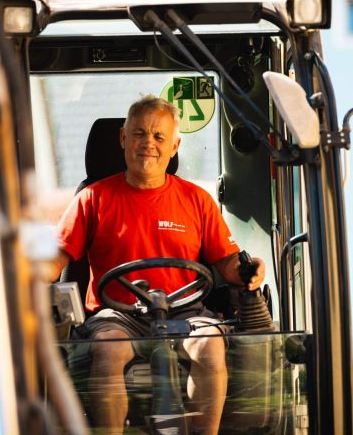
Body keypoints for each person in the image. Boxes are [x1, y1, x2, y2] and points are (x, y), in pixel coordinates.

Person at [50, 95, 266, 435]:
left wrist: (247, 270)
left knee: (209, 343)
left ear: (175, 145)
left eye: (158, 136)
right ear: (123, 139)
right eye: (138, 134)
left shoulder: (196, 200)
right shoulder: (92, 198)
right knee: (108, 349)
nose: (147, 143)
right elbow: (53, 261)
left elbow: (226, 262)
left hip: (185, 311)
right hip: (117, 313)